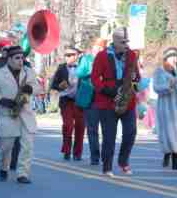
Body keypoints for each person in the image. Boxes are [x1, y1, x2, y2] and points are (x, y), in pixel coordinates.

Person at [91, 27, 141, 177]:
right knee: (109, 137)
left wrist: (134, 83)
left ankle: (123, 161)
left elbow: (137, 77)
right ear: (114, 41)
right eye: (122, 42)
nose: (126, 45)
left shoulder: (131, 55)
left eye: (127, 41)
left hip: (127, 100)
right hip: (107, 102)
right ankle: (107, 167)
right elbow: (94, 78)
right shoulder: (102, 56)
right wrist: (107, 90)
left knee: (131, 132)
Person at [0, 46, 39, 184]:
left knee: (28, 145)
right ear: (9, 59)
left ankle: (23, 174)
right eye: (17, 58)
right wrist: (2, 100)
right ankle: (4, 167)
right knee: (6, 147)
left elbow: (39, 88)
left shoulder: (28, 72)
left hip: (26, 114)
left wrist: (31, 88)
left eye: (22, 58)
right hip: (8, 113)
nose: (21, 61)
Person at [75, 38, 107, 165]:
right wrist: (93, 70)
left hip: (105, 97)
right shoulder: (87, 59)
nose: (99, 49)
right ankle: (95, 156)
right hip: (91, 97)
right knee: (92, 129)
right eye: (97, 46)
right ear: (93, 47)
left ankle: (106, 155)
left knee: (107, 129)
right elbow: (79, 73)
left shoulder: (108, 59)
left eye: (101, 47)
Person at [51, 46, 85, 161]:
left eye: (71, 55)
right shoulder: (61, 68)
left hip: (80, 101)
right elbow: (53, 85)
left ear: (77, 56)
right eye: (66, 55)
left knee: (80, 127)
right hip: (66, 101)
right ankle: (66, 151)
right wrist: (62, 85)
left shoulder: (83, 68)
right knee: (68, 126)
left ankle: (77, 153)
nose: (68, 57)